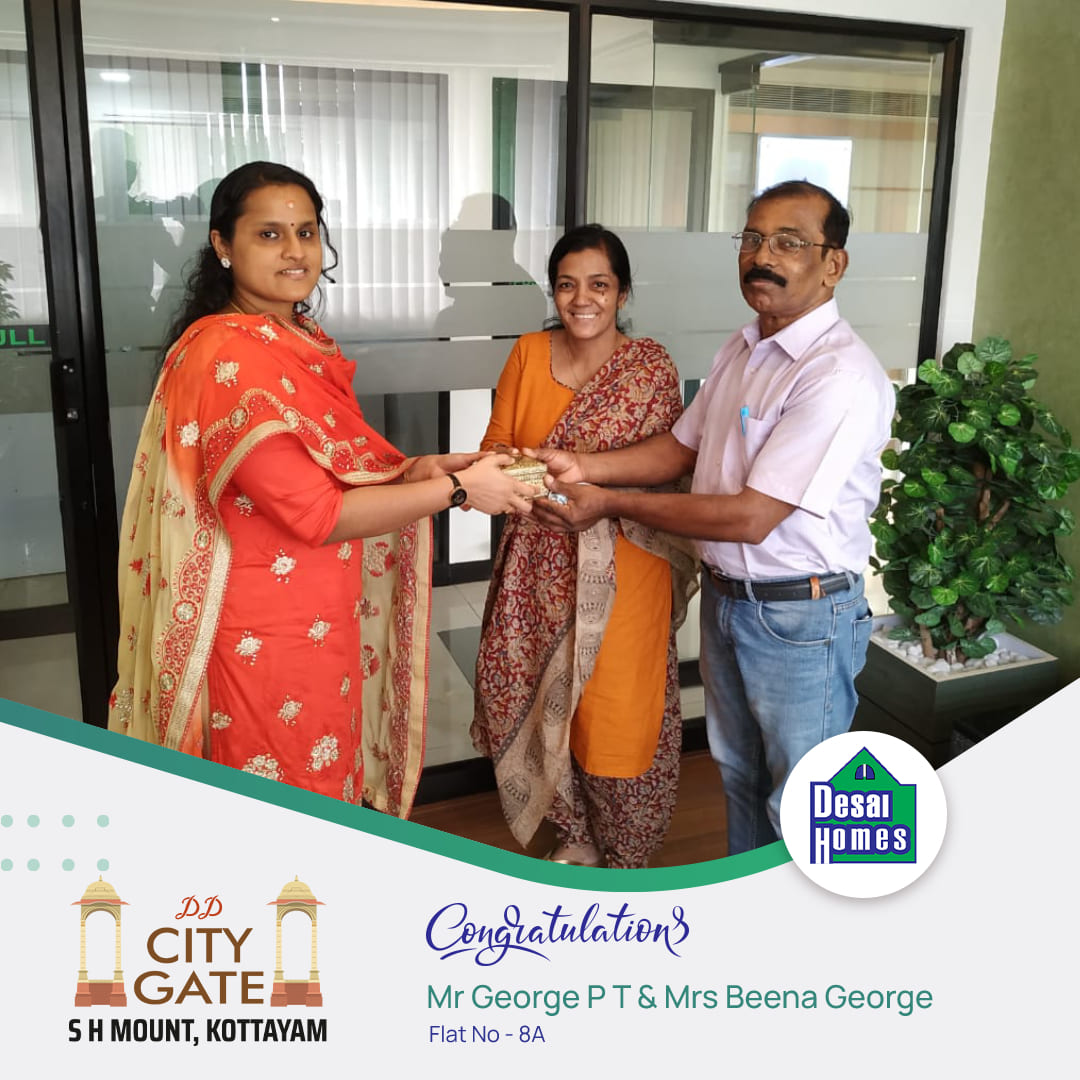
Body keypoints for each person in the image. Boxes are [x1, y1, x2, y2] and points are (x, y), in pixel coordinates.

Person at [107, 161, 533, 816]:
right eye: (269, 234)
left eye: (306, 232)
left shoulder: (295, 338)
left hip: (318, 615)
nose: (295, 251)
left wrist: (427, 469)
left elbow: (333, 467)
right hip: (261, 636)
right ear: (223, 245)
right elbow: (316, 512)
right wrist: (456, 491)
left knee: (324, 775)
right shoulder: (228, 355)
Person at [532, 181, 895, 855]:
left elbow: (753, 517)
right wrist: (582, 466)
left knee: (804, 802)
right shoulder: (745, 347)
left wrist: (606, 501)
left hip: (802, 615)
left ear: (833, 264)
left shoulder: (837, 375)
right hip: (730, 602)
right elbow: (679, 448)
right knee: (741, 777)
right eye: (753, 238)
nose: (763, 256)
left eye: (789, 242)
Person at [471, 224, 697, 869]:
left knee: (614, 702)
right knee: (533, 689)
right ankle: (574, 829)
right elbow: (496, 447)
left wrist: (581, 476)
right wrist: (537, 483)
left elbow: (668, 463)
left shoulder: (648, 366)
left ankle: (627, 847)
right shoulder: (527, 352)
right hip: (536, 554)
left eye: (599, 284)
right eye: (567, 285)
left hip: (625, 560)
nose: (582, 299)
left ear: (622, 293)